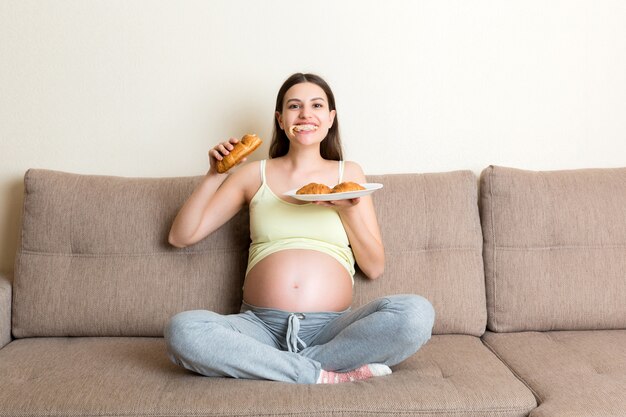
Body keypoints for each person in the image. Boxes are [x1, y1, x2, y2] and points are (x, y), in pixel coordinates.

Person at [164, 73, 435, 384]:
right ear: (280, 120)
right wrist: (214, 174)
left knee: (416, 314)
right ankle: (323, 373)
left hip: (332, 330)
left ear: (331, 118)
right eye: (294, 106)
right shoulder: (254, 175)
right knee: (182, 330)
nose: (306, 114)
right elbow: (180, 236)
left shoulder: (349, 174)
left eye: (316, 105)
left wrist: (345, 211)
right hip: (258, 328)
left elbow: (374, 267)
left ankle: (283, 368)